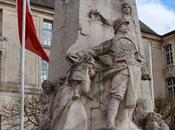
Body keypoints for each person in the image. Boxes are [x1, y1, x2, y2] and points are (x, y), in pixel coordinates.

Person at [81, 18, 150, 130]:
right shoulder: (112, 42)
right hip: (120, 69)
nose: (126, 27)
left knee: (132, 99)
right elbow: (95, 51)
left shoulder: (131, 42)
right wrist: (85, 57)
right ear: (118, 27)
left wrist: (144, 71)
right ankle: (110, 123)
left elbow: (139, 59)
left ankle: (126, 122)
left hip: (134, 71)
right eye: (124, 25)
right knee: (117, 95)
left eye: (126, 25)